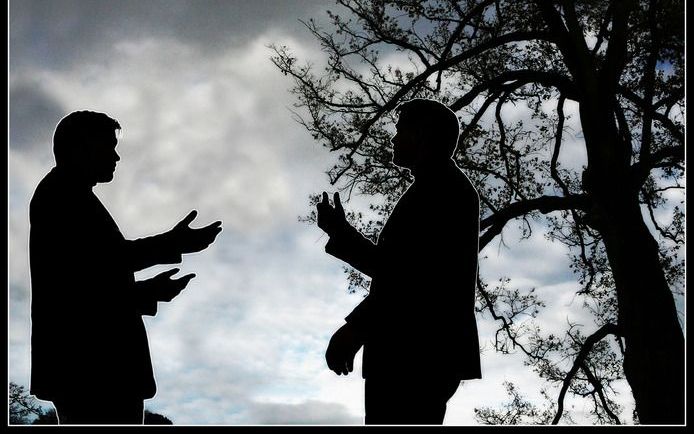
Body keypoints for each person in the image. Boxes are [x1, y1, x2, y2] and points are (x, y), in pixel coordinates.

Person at [29, 110, 222, 424]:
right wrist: (174, 243)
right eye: (108, 146)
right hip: (93, 368)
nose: (116, 156)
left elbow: (91, 283)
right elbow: (101, 269)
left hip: (94, 367)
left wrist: (150, 291)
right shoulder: (61, 196)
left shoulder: (69, 195)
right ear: (83, 147)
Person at [317, 98, 481, 424]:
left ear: (421, 134)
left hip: (416, 353)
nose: (393, 139)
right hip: (410, 352)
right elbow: (397, 270)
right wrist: (342, 233)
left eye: (399, 130)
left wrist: (355, 330)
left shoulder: (444, 191)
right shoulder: (433, 189)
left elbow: (414, 281)